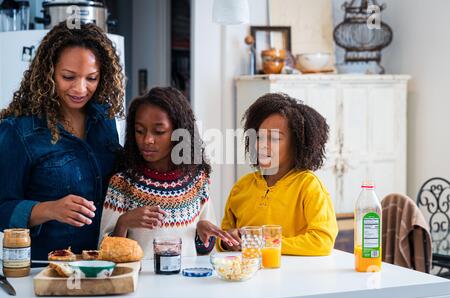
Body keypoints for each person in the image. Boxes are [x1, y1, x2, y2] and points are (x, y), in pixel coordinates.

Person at [0, 21, 125, 260]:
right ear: (48, 73)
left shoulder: (104, 119)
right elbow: (2, 208)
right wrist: (49, 209)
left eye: (92, 78)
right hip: (44, 267)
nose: (81, 88)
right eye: (68, 77)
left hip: (101, 261)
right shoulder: (18, 130)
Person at [100, 87, 238, 258]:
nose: (147, 140)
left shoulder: (197, 180)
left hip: (186, 283)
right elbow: (104, 253)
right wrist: (123, 223)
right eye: (139, 131)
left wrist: (202, 234)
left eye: (159, 132)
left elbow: (206, 251)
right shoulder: (122, 183)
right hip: (141, 283)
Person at [219, 93, 338, 256]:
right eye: (259, 137)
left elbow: (322, 241)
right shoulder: (241, 187)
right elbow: (223, 236)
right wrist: (228, 242)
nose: (262, 145)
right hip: (249, 276)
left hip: (292, 278)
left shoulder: (309, 186)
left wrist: (263, 243)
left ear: (297, 144)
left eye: (274, 139)